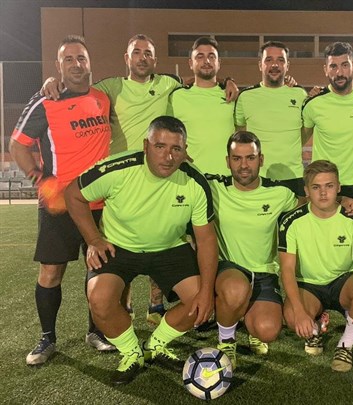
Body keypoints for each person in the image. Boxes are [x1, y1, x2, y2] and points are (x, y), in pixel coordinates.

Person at [42, 34, 238, 327]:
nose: (142, 58)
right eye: (136, 52)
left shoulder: (169, 84)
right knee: (123, 244)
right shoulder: (110, 87)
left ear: (155, 59)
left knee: (163, 238)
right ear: (127, 58)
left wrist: (227, 80)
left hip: (163, 172)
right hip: (123, 179)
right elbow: (79, 85)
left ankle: (156, 305)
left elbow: (199, 80)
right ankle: (124, 308)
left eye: (148, 53)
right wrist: (51, 82)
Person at [64, 116, 217, 385]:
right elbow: (73, 194)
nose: (168, 156)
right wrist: (94, 239)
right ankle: (131, 352)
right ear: (146, 146)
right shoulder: (118, 168)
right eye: (160, 146)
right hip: (119, 246)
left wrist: (206, 290)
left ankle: (154, 345)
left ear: (185, 151)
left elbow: (205, 240)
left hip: (170, 248)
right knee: (99, 299)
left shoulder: (195, 182)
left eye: (176, 149)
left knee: (201, 301)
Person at [207, 131, 353, 369]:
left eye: (250, 158)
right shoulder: (214, 187)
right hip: (229, 270)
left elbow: (310, 200)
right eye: (237, 158)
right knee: (235, 289)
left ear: (261, 159)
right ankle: (226, 340)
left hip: (264, 273)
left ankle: (250, 323)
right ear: (228, 161)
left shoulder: (279, 193)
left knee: (268, 330)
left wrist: (342, 199)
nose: (244, 165)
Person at [9, 35, 113, 365]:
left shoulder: (102, 99)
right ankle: (47, 338)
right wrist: (41, 180)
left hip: (99, 204)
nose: (76, 64)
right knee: (51, 272)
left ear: (90, 62)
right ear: (58, 65)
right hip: (60, 205)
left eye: (81, 58)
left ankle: (96, 331)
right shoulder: (45, 102)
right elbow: (17, 145)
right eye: (68, 59)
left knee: (99, 270)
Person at [279, 160, 353, 372]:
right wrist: (299, 311)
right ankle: (316, 327)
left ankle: (345, 345)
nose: (323, 193)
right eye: (316, 187)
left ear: (338, 188)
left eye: (329, 186)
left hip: (342, 281)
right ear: (307, 191)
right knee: (291, 316)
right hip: (309, 285)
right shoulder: (291, 221)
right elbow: (287, 270)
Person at [302, 42, 353, 217]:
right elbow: (298, 140)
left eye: (345, 65)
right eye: (333, 66)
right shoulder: (313, 104)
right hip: (325, 186)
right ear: (326, 69)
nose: (339, 72)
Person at [235, 41, 307, 196]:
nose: (275, 65)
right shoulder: (245, 96)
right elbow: (240, 132)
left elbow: (306, 132)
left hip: (294, 177)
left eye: (280, 60)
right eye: (269, 60)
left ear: (287, 65)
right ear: (260, 65)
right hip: (258, 177)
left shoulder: (300, 94)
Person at [168, 37, 235, 175]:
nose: (206, 61)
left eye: (211, 56)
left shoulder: (232, 95)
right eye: (200, 57)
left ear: (219, 63)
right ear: (190, 63)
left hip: (227, 178)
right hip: (190, 177)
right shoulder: (176, 97)